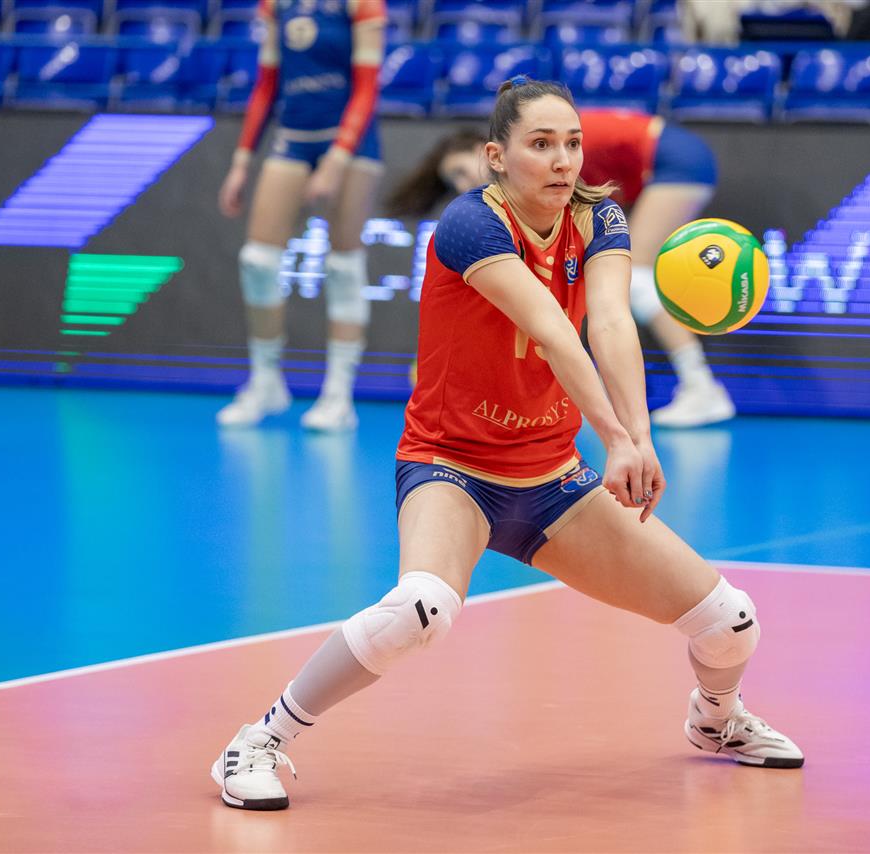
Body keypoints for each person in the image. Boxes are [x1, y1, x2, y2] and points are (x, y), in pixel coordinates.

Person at [212, 79, 802, 812]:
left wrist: (639, 438)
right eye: (541, 144)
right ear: (496, 156)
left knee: (730, 623)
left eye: (573, 143)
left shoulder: (601, 216)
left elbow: (610, 323)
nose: (563, 161)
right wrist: (615, 438)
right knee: (420, 608)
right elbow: (555, 332)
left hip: (553, 482)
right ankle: (258, 740)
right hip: (451, 468)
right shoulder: (471, 224)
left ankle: (716, 720)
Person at [388, 109, 736, 428]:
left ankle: (701, 387)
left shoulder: (543, 156)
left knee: (636, 281)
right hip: (671, 160)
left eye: (462, 171)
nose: (465, 185)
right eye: (455, 181)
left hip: (676, 160)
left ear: (489, 151)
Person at [215, 0, 387, 430]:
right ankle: (266, 382)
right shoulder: (275, 6)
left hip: (352, 143)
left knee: (344, 264)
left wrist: (337, 159)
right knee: (257, 260)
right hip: (293, 138)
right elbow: (267, 86)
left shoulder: (363, 4)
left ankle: (338, 396)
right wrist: (241, 162)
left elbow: (367, 87)